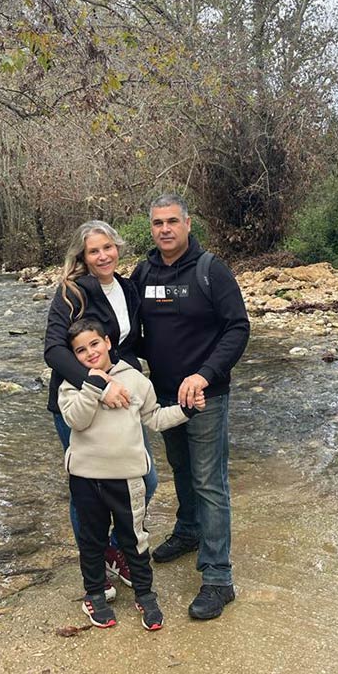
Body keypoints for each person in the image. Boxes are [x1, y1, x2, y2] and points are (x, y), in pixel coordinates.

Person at [131, 192, 250, 620]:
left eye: (172, 221)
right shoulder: (143, 273)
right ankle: (188, 530)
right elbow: (130, 331)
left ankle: (219, 578)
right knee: (181, 469)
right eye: (157, 223)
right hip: (164, 396)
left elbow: (237, 328)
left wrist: (204, 374)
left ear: (187, 224)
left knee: (209, 482)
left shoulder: (210, 270)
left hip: (205, 396)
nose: (165, 229)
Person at [58, 318, 204, 630]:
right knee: (91, 539)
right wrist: (95, 385)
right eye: (81, 350)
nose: (90, 353)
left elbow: (155, 418)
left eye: (94, 344)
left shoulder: (136, 380)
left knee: (134, 538)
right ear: (74, 356)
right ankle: (94, 594)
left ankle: (145, 593)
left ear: (108, 342)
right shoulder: (71, 384)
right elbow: (77, 420)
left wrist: (187, 410)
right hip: (85, 478)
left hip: (127, 478)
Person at [44, 220, 158, 598]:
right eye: (94, 251)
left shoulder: (127, 287)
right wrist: (98, 384)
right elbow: (54, 350)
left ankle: (113, 548)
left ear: (117, 248)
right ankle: (96, 566)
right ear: (83, 256)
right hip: (80, 400)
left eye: (108, 247)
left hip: (122, 400)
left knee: (145, 479)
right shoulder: (72, 291)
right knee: (88, 491)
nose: (103, 255)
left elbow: (132, 344)